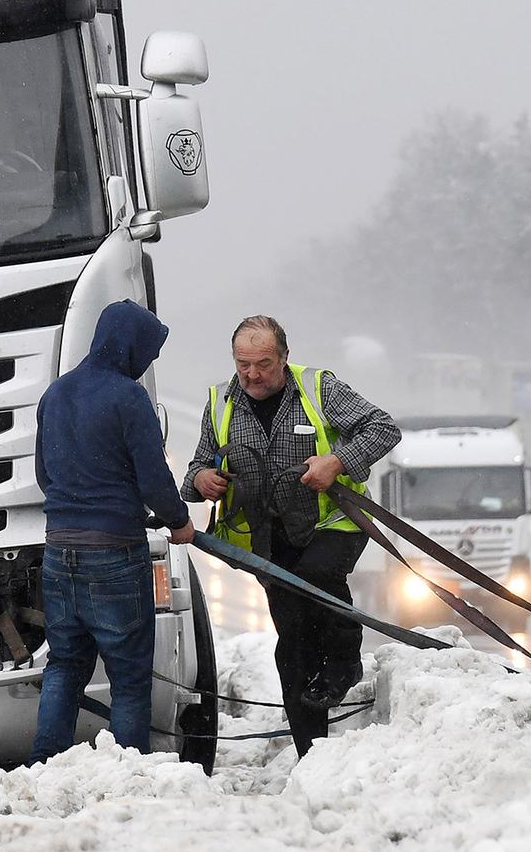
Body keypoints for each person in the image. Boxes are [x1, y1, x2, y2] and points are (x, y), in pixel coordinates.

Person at [183, 315, 402, 754]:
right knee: (294, 636)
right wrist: (203, 478)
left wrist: (337, 461)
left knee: (318, 575)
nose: (252, 374)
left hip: (333, 521)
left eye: (263, 363)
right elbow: (193, 473)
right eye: (243, 363)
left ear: (284, 358)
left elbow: (383, 428)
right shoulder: (219, 403)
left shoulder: (320, 389)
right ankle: (311, 749)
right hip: (270, 535)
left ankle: (344, 663)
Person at [29, 300, 195, 764]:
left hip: (60, 553)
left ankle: (43, 768)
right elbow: (154, 477)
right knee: (129, 676)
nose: (146, 363)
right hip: (115, 556)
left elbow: (45, 474)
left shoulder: (55, 395)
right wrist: (178, 521)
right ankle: (129, 773)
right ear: (128, 345)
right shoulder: (128, 397)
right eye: (147, 352)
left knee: (64, 666)